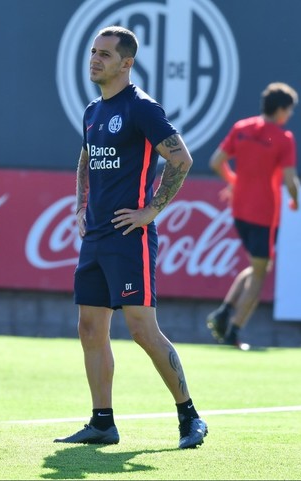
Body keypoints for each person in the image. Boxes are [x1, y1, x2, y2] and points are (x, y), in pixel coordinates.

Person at [54, 26, 207, 449]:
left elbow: (181, 158)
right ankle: (102, 423)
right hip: (96, 237)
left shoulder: (142, 108)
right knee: (89, 327)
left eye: (105, 54)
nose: (95, 59)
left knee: (142, 329)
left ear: (126, 63)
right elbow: (86, 156)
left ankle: (189, 416)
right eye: (93, 52)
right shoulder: (92, 111)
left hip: (129, 237)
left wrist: (151, 211)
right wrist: (80, 204)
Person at [206, 83, 300, 350]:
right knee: (260, 274)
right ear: (281, 110)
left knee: (258, 266)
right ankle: (232, 331)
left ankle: (224, 312)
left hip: (239, 210)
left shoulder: (242, 127)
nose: (290, 115)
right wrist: (294, 200)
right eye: (289, 110)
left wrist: (234, 181)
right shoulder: (284, 138)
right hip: (264, 213)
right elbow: (291, 180)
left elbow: (216, 161)